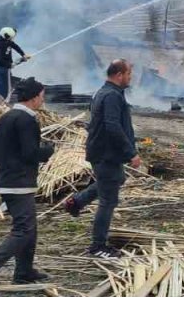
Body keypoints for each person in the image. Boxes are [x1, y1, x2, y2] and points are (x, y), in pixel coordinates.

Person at [0, 78, 54, 296]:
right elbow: (30, 153)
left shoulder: (7, 116)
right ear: (34, 98)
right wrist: (47, 151)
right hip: (20, 183)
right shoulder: (27, 119)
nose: (43, 99)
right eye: (42, 95)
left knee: (29, 228)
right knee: (24, 229)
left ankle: (24, 271)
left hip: (8, 180)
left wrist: (7, 166)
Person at [62, 59, 138, 259]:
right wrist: (131, 153)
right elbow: (112, 126)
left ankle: (76, 202)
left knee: (116, 179)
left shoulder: (102, 92)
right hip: (106, 154)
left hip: (103, 153)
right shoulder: (111, 95)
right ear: (119, 75)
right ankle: (98, 246)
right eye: (129, 74)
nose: (131, 78)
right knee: (108, 201)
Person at [0, 27, 30, 100]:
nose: (13, 38)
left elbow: (16, 47)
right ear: (7, 36)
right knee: (3, 87)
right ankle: (1, 101)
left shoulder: (8, 41)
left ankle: (3, 100)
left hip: (6, 68)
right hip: (2, 69)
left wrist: (23, 55)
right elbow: (0, 59)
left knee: (6, 86)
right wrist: (9, 65)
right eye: (12, 37)